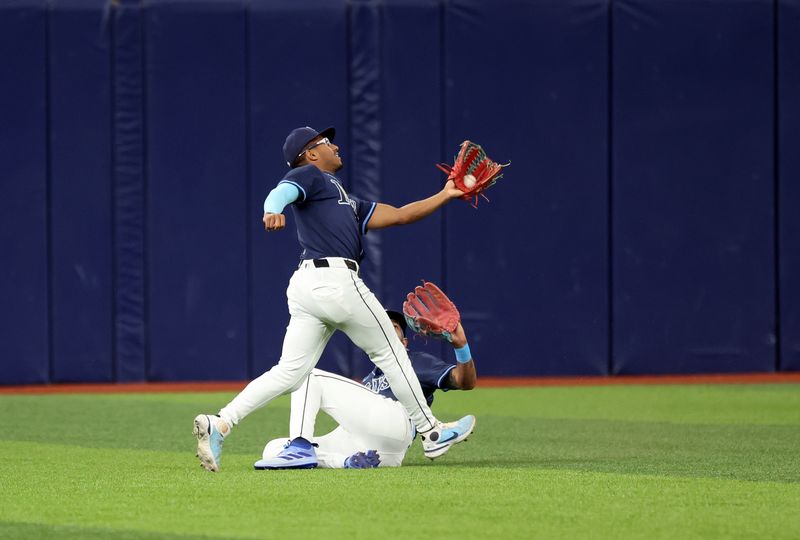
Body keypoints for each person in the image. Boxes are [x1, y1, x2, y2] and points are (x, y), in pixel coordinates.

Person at [193, 126, 474, 472]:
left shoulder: (346, 200)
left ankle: (221, 423)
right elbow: (280, 191)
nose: (336, 145)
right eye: (327, 142)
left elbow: (401, 214)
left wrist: (445, 194)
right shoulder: (309, 176)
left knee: (290, 371)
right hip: (335, 278)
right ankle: (432, 432)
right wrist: (271, 209)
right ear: (311, 153)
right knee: (389, 352)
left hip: (306, 286)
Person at [254, 310, 477, 469]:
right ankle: (346, 462)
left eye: (395, 327)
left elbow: (463, 381)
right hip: (382, 453)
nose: (388, 328)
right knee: (273, 449)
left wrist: (461, 346)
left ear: (405, 343)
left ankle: (300, 448)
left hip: (397, 424)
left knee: (308, 374)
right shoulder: (370, 378)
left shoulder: (413, 361)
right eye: (382, 325)